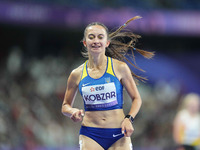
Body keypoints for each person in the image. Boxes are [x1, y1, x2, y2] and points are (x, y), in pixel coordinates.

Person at [61, 16, 154, 150]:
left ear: (107, 42)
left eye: (100, 37)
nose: (96, 41)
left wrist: (129, 119)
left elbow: (137, 98)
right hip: (90, 134)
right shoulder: (76, 74)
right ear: (85, 42)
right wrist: (72, 111)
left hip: (119, 133)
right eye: (91, 37)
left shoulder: (120, 68)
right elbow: (65, 105)